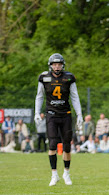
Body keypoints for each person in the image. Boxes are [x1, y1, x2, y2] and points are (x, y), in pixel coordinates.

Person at [34, 53, 83, 186]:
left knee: (67, 145)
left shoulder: (69, 77)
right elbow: (39, 96)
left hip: (66, 114)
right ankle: (54, 174)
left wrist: (79, 114)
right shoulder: (44, 77)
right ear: (50, 65)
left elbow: (74, 96)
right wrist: (36, 112)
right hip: (51, 114)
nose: (57, 67)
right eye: (54, 64)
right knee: (52, 144)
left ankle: (66, 172)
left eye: (59, 64)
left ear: (63, 65)